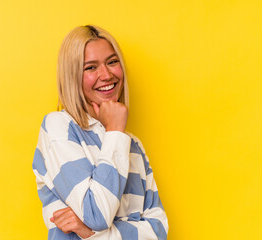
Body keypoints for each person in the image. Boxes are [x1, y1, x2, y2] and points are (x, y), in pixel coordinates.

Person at [32, 25, 168, 239]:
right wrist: (115, 130)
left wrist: (90, 233)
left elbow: (158, 230)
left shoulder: (132, 144)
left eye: (112, 62)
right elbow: (96, 214)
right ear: (72, 75)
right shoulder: (58, 127)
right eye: (91, 67)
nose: (106, 75)